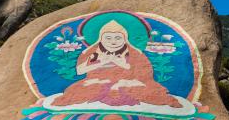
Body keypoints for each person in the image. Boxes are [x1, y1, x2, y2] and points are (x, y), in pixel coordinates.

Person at [51, 20, 181, 108]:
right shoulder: (94, 52)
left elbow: (145, 74)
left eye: (118, 38)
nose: (113, 41)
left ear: (125, 39)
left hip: (129, 83)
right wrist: (102, 62)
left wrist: (123, 65)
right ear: (101, 39)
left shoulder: (134, 53)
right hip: (97, 82)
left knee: (143, 89)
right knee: (81, 89)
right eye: (108, 38)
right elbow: (80, 71)